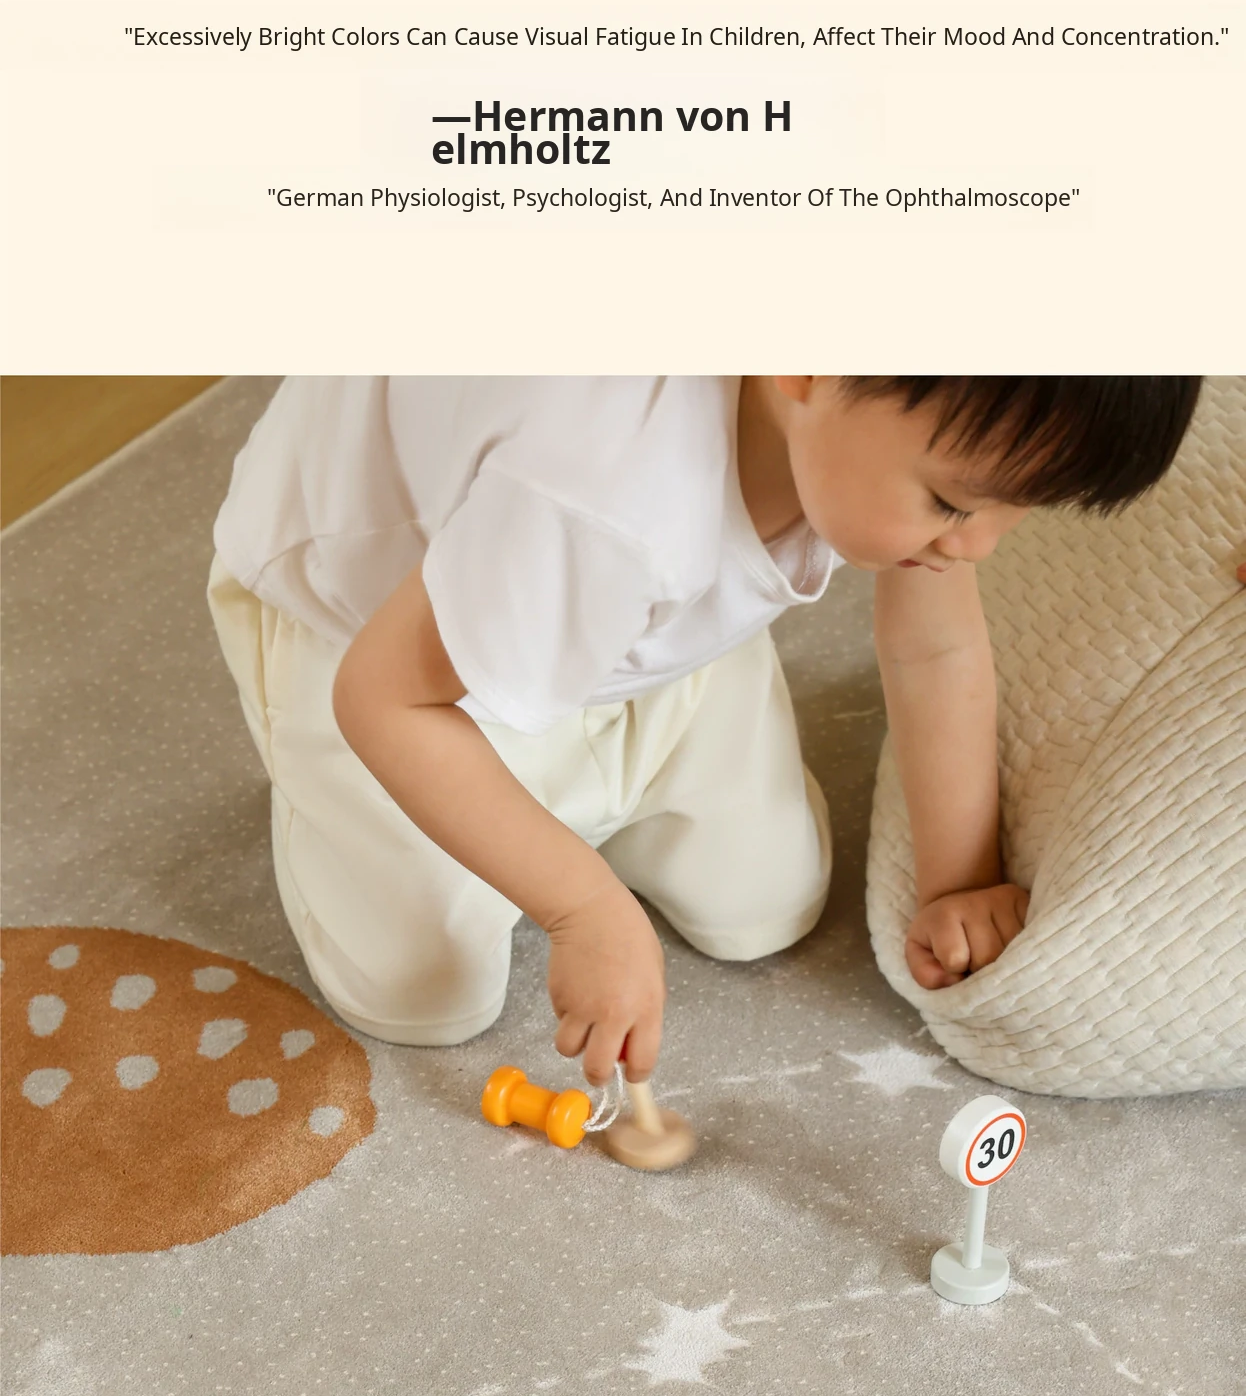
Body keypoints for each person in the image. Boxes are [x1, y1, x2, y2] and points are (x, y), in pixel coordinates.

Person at [208, 375, 1201, 1087]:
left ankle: (600, 733)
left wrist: (958, 880)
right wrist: (582, 908)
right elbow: (384, 699)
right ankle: (330, 798)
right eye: (950, 501)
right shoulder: (606, 491)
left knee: (768, 903)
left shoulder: (873, 413)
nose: (975, 544)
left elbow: (936, 649)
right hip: (369, 635)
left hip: (633, 624)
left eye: (1013, 509)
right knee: (428, 996)